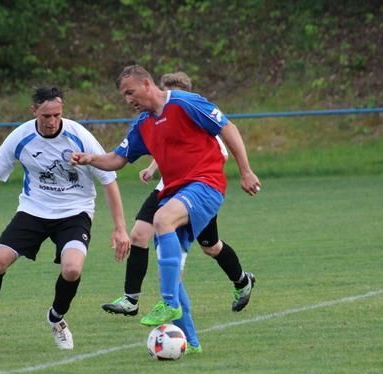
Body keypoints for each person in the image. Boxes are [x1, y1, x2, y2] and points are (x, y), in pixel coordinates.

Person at [71, 65, 260, 348]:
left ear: (147, 84)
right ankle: (191, 343)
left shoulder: (185, 103)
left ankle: (169, 304)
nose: (128, 100)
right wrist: (90, 159)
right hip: (175, 190)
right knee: (169, 269)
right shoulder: (142, 125)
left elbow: (227, 128)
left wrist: (246, 170)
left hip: (206, 183)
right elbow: (117, 159)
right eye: (124, 95)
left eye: (130, 92)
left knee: (162, 220)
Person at [0, 86, 130, 351]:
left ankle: (56, 319)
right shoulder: (20, 138)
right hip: (33, 211)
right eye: (46, 116)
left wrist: (120, 229)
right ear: (34, 112)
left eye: (57, 114)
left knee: (72, 269)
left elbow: (109, 181)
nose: (53, 121)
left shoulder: (79, 136)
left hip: (75, 212)